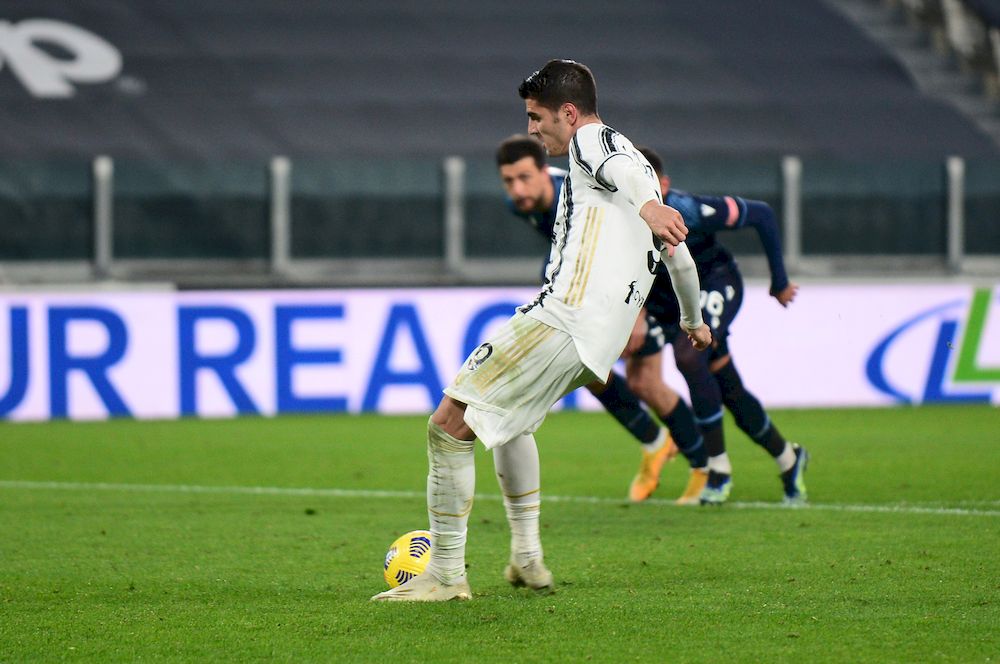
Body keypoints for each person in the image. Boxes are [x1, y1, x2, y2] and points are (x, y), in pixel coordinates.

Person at [372, 59, 711, 602]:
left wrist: (648, 207)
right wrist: (693, 321)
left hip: (565, 317)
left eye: (536, 117)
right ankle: (528, 557)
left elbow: (627, 185)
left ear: (568, 113)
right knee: (509, 424)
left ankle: (444, 575)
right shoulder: (641, 165)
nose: (532, 129)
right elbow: (682, 261)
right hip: (599, 340)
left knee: (448, 424)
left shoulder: (590, 142)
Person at [496, 135, 711, 504]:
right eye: (509, 181)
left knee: (645, 383)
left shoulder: (578, 193)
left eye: (524, 178)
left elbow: (633, 231)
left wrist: (638, 312)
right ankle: (657, 443)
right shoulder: (526, 204)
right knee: (593, 371)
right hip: (608, 280)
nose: (517, 189)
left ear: (545, 171)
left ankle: (703, 470)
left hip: (652, 278)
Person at [635, 146, 808, 506]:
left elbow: (761, 214)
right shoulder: (618, 219)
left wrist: (778, 281)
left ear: (664, 184)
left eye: (647, 181)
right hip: (672, 305)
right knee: (727, 386)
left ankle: (718, 468)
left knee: (688, 355)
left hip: (715, 283)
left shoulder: (689, 210)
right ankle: (789, 459)